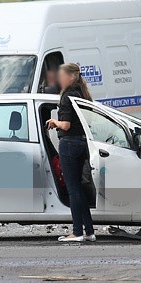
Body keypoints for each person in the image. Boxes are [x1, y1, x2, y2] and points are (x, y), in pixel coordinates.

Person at [46, 63, 96, 243]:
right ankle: (89, 231)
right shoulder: (82, 94)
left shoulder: (67, 96)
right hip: (82, 142)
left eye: (62, 75)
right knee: (79, 189)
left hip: (69, 143)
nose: (59, 79)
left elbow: (65, 125)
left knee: (73, 189)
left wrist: (54, 121)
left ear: (71, 77)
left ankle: (77, 232)